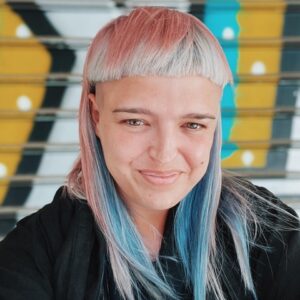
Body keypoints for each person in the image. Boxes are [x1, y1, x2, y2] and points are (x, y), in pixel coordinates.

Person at [0, 6, 299, 300]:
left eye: (193, 124)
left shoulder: (265, 232)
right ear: (96, 116)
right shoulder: (35, 254)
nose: (164, 153)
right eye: (136, 121)